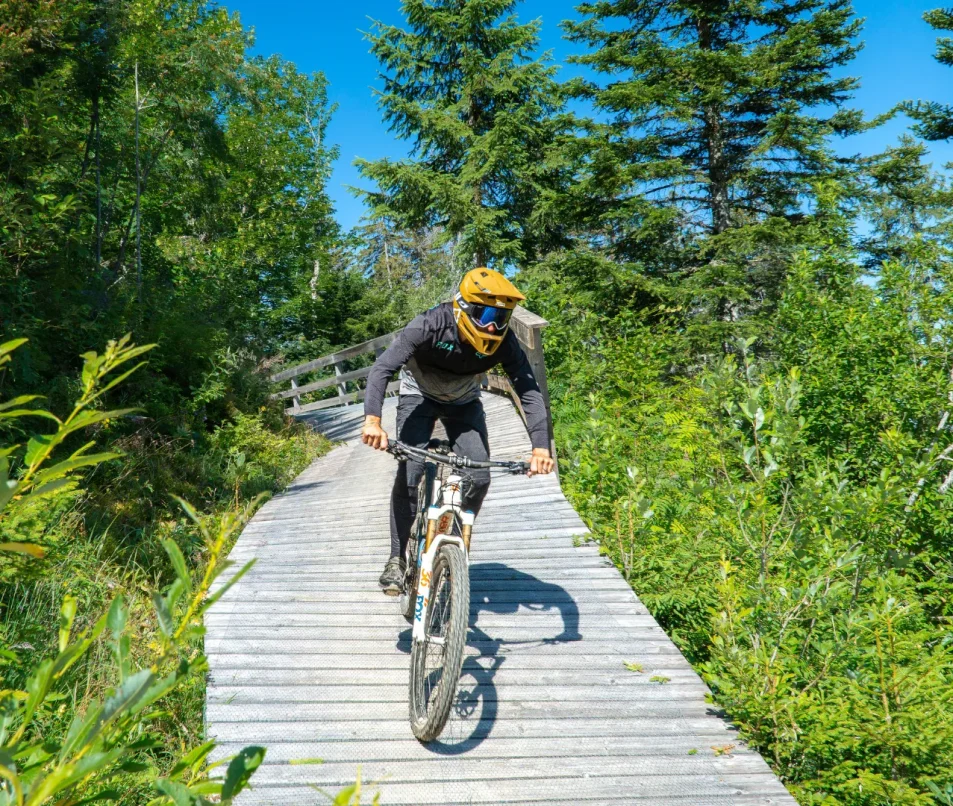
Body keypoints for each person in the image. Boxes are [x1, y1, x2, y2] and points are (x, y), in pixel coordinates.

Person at [361, 267, 555, 594]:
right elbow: (383, 368)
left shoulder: (503, 341)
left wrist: (540, 447)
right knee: (410, 471)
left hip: (464, 400)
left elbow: (528, 389)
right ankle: (397, 559)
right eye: (486, 314)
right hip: (418, 394)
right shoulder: (430, 324)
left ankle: (455, 543)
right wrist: (372, 419)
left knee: (479, 477)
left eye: (502, 316)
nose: (494, 325)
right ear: (463, 307)